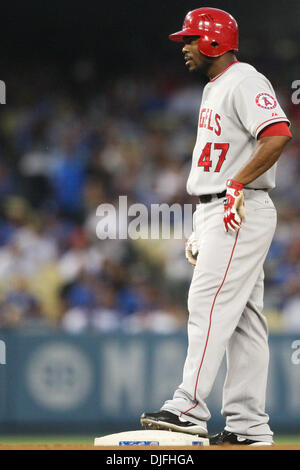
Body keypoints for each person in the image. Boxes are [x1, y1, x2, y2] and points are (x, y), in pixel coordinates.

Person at [140, 7, 292, 446]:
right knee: (244, 319)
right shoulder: (215, 88)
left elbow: (278, 132)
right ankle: (248, 426)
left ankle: (188, 407)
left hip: (238, 206)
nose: (184, 47)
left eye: (190, 39)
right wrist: (203, 223)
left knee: (207, 303)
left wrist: (236, 185)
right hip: (220, 206)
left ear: (213, 41)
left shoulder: (244, 79)